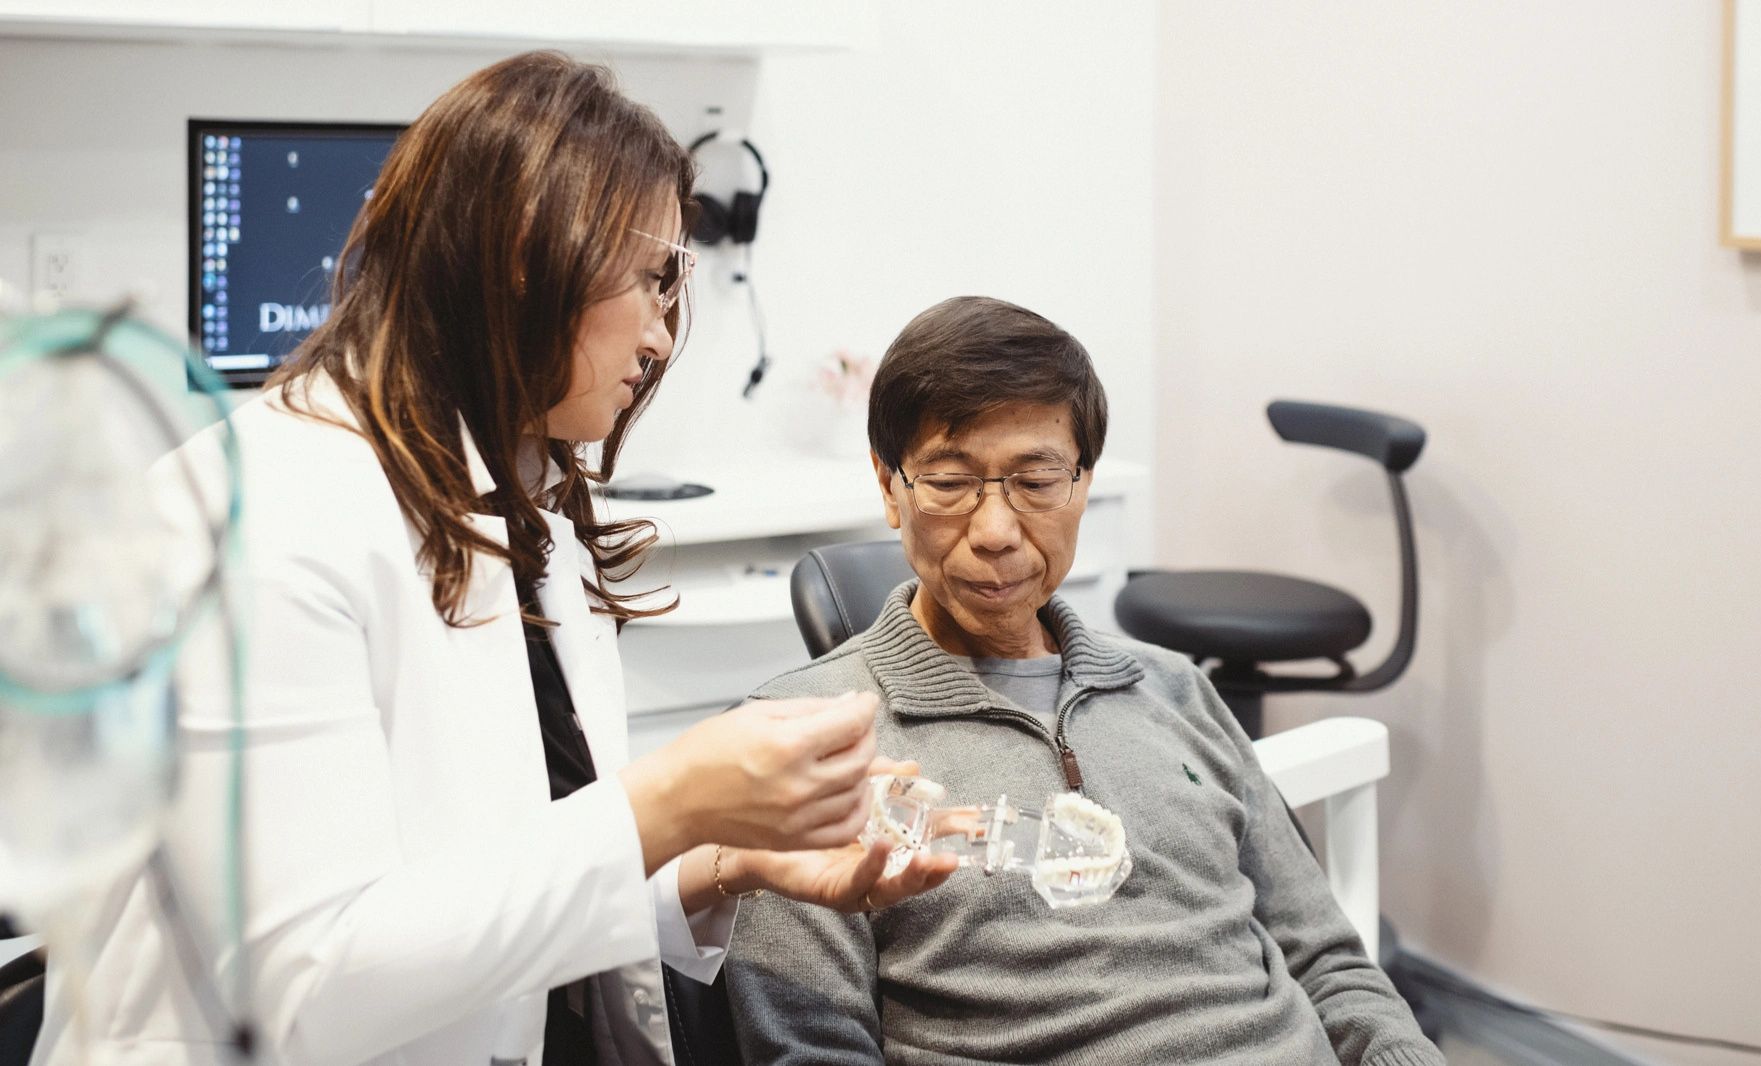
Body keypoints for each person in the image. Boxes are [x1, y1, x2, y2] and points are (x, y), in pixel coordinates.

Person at [33, 52, 952, 1066]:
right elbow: (311, 987)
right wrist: (667, 800)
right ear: (525, 254)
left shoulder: (520, 495)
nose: (660, 334)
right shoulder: (253, 522)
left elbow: (501, 875)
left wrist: (721, 858)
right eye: (653, 279)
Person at [725, 296, 1445, 1066]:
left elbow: (1331, 966)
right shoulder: (801, 739)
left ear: (1082, 483)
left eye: (1036, 481)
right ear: (888, 485)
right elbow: (810, 1050)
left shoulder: (1176, 693)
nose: (996, 532)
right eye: (948, 480)